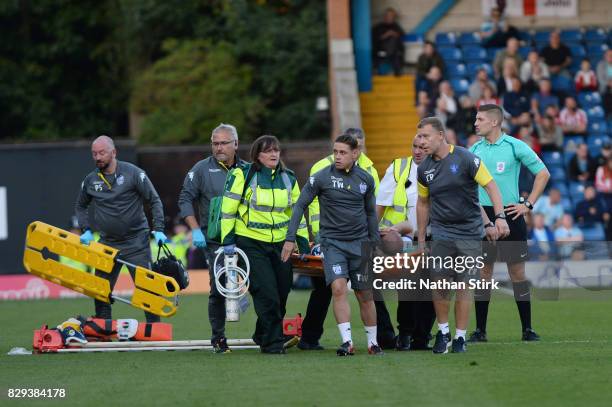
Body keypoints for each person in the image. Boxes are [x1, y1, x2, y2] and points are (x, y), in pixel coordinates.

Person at [282, 133, 382, 356]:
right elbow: (299, 206)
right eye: (335, 151)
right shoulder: (320, 177)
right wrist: (290, 238)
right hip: (332, 244)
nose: (337, 156)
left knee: (365, 294)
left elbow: (370, 214)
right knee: (338, 289)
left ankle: (373, 343)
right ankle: (347, 342)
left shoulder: (366, 179)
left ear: (355, 154)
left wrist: (374, 244)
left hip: (360, 244)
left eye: (343, 152)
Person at [416, 117, 509, 354]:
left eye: (426, 136)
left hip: (469, 233)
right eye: (420, 137)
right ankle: (444, 331)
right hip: (441, 233)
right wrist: (421, 239)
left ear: (440, 135)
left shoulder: (466, 158)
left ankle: (460, 337)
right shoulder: (424, 168)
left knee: (464, 286)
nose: (421, 141)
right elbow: (423, 203)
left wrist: (499, 217)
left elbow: (491, 186)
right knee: (439, 285)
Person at [220, 135, 310, 354]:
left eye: (276, 150)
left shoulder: (288, 178)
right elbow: (228, 209)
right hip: (250, 242)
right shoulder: (243, 174)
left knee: (281, 291)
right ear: (257, 155)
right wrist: (228, 241)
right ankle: (272, 343)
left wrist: (302, 242)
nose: (273, 154)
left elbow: (296, 213)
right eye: (268, 151)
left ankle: (262, 333)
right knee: (267, 293)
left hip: (281, 244)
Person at [468, 104, 550, 343]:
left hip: (512, 215)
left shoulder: (515, 146)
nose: (475, 123)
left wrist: (528, 205)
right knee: (484, 273)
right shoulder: (474, 150)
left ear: (494, 122)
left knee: (517, 273)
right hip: (483, 218)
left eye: (480, 119)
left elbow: (543, 173)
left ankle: (527, 329)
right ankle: (480, 331)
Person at [75, 135, 167, 323]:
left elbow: (154, 200)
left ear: (114, 152)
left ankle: (154, 330)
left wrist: (158, 228)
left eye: (102, 153)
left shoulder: (134, 173)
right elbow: (80, 206)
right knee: (100, 289)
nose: (97, 157)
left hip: (136, 243)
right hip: (108, 244)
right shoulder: (91, 180)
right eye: (94, 154)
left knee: (147, 289)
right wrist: (85, 229)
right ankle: (104, 328)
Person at [177, 123, 247, 353]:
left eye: (224, 143)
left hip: (248, 238)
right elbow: (185, 199)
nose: (219, 147)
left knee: (264, 285)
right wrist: (195, 229)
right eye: (215, 143)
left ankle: (268, 333)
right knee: (217, 289)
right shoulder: (200, 169)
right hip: (214, 239)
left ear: (235, 144)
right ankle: (218, 338)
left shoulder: (249, 170)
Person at [375, 136, 435, 350]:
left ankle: (422, 335)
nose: (417, 151)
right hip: (404, 239)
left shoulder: (441, 168)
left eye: (423, 148)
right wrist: (374, 231)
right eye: (415, 147)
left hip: (434, 235)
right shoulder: (399, 167)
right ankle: (406, 334)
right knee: (409, 286)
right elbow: (380, 204)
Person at [372, 7, 405, 76]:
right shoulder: (378, 27)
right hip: (381, 51)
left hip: (394, 52)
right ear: (385, 16)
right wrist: (386, 35)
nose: (390, 18)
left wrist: (394, 34)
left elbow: (402, 35)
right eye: (388, 15)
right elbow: (375, 39)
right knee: (394, 47)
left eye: (392, 16)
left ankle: (397, 72)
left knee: (396, 47)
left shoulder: (396, 26)